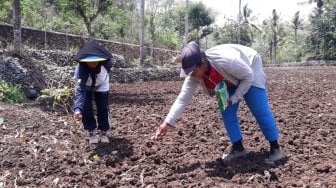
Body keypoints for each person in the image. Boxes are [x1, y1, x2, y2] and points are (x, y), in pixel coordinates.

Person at [154, 41, 283, 162]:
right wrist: (168, 122)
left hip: (249, 66)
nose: (192, 75)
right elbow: (183, 98)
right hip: (229, 78)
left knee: (258, 108)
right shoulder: (193, 75)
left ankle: (275, 148)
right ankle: (238, 149)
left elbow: (248, 76)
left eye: (193, 71)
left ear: (202, 63)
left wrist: (235, 98)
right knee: (226, 110)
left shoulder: (225, 62)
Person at [73, 40, 113, 144]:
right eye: (90, 61)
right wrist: (78, 109)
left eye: (95, 61)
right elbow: (80, 89)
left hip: (102, 84)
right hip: (85, 86)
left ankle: (103, 131)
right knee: (86, 108)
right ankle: (92, 131)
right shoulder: (80, 69)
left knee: (103, 106)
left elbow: (107, 73)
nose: (93, 63)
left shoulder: (107, 64)